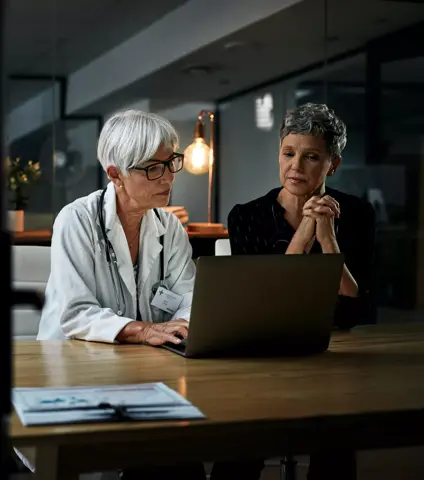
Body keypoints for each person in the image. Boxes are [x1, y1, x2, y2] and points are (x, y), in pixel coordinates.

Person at [37, 109, 263, 480]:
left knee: (189, 454)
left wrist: (188, 325)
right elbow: (76, 313)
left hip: (148, 372)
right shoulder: (76, 220)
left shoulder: (168, 226)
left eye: (171, 163)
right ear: (115, 174)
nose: (169, 177)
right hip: (80, 373)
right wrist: (143, 330)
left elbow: (191, 296)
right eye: (152, 168)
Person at [228, 102, 376, 480]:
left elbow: (355, 310)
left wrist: (327, 238)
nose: (296, 166)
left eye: (311, 157)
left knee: (338, 448)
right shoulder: (246, 215)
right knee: (242, 450)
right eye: (288, 153)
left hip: (336, 351)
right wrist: (306, 230)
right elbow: (267, 302)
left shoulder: (358, 213)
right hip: (265, 352)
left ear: (332, 164)